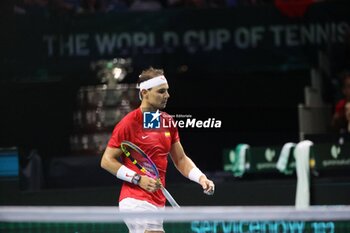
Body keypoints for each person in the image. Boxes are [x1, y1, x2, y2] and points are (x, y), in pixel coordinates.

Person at [100, 67, 215, 233]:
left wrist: (201, 178)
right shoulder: (129, 123)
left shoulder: (168, 122)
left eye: (167, 91)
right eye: (161, 91)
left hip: (157, 201)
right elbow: (106, 161)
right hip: (135, 200)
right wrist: (138, 179)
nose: (167, 95)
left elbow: (181, 159)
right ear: (145, 93)